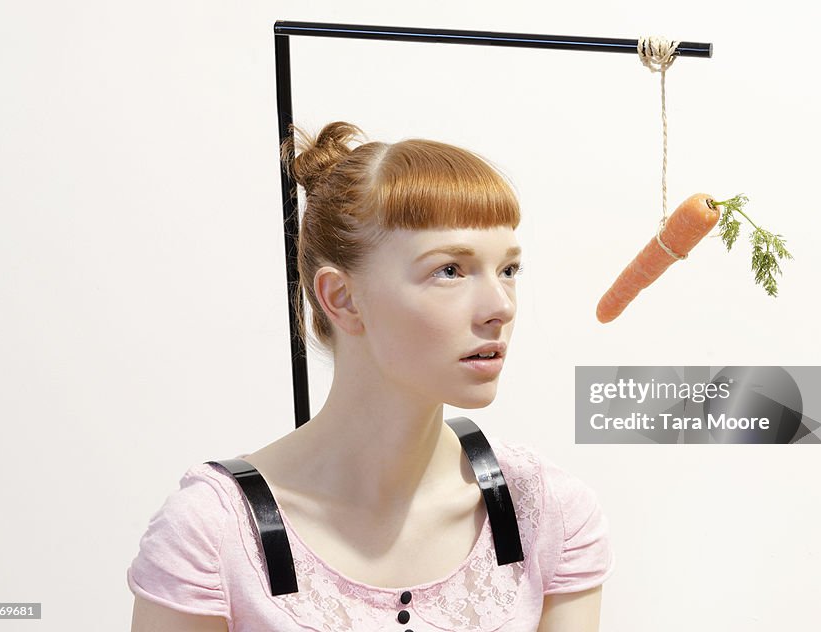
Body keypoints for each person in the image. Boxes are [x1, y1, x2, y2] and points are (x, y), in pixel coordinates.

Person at [127, 121, 616, 631]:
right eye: (449, 269)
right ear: (341, 297)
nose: (500, 306)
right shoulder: (213, 536)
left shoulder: (545, 513)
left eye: (509, 270)